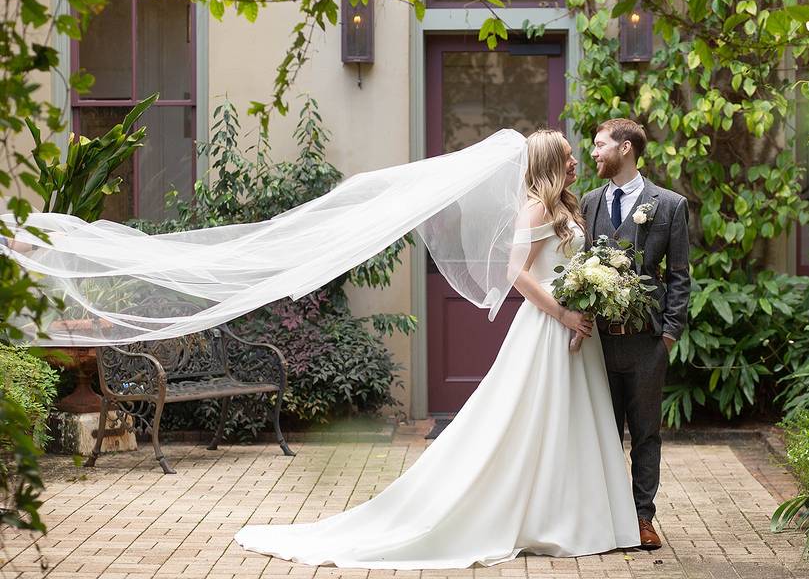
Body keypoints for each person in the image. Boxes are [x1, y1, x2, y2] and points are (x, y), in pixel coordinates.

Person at [233, 129, 643, 568]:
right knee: (527, 418)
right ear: (548, 163)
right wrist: (563, 315)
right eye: (566, 157)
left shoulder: (566, 205)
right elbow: (517, 274)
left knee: (571, 419)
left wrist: (585, 301)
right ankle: (542, 516)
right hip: (546, 327)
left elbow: (567, 266)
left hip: (576, 326)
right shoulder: (536, 208)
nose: (575, 161)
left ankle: (575, 515)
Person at [580, 118, 691, 550]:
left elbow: (680, 276)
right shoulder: (588, 203)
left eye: (599, 145)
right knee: (602, 430)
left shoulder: (669, 205)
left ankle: (643, 518)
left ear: (625, 149)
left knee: (646, 433)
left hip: (647, 343)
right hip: (598, 343)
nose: (593, 152)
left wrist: (668, 335)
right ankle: (607, 518)